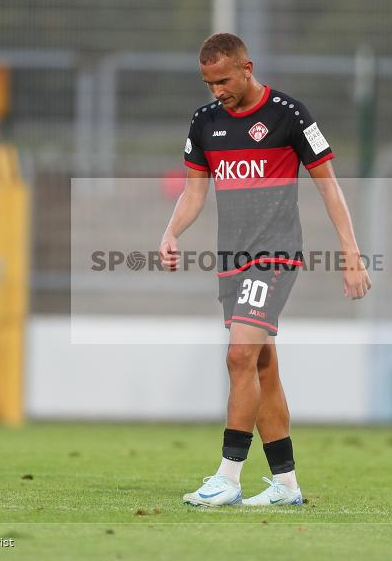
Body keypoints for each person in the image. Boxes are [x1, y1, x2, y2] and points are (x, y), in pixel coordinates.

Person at [159, 33, 371, 507]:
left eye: (223, 80)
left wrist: (351, 252)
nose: (217, 91)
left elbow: (330, 187)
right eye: (208, 83)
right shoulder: (205, 122)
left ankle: (227, 478)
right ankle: (286, 485)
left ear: (247, 67)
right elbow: (195, 191)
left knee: (238, 357)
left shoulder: (289, 114)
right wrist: (171, 232)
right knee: (262, 366)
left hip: (275, 255)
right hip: (232, 260)